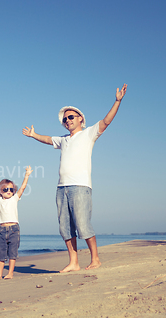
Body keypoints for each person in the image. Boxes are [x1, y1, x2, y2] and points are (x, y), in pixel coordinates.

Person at [22, 84, 127, 272]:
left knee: (83, 224)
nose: (67, 120)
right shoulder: (64, 139)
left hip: (80, 186)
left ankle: (95, 259)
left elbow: (106, 121)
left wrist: (117, 101)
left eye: (71, 117)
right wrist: (33, 135)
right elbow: (48, 139)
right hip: (62, 188)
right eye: (65, 119)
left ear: (80, 119)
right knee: (65, 228)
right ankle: (74, 262)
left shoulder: (88, 134)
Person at [0, 166, 32, 280]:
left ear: (13, 191)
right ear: (0, 191)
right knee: (1, 253)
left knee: (12, 253)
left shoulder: (15, 199)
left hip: (14, 229)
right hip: (3, 230)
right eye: (5, 189)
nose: (8, 191)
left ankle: (10, 273)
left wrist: (26, 175)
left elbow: (23, 188)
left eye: (11, 189)